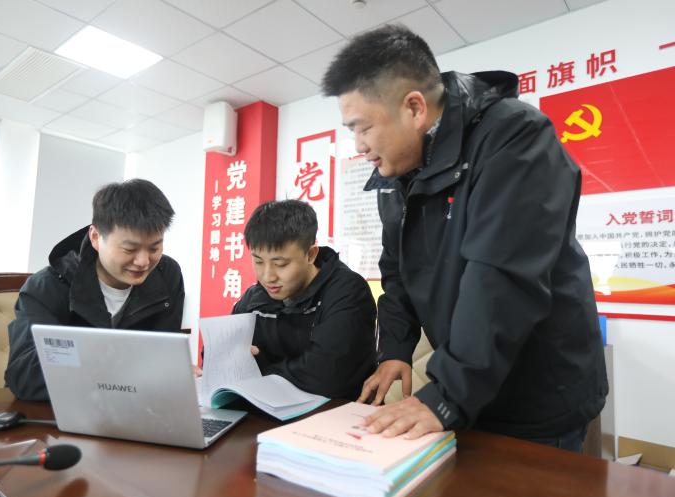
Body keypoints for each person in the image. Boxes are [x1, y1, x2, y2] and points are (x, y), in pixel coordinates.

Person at [321, 25, 608, 451]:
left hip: (538, 395)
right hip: (471, 389)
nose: (359, 146)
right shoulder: (398, 174)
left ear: (414, 108)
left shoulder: (515, 138)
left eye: (362, 128)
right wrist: (395, 349)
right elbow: (397, 272)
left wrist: (446, 396)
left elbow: (502, 279)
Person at [5, 179, 185, 401]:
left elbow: (164, 355)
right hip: (61, 411)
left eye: (154, 248)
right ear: (96, 237)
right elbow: (26, 375)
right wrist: (124, 366)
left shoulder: (166, 275)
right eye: (130, 249)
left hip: (137, 407)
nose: (143, 261)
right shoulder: (48, 287)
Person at [231, 199, 377, 399]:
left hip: (339, 412)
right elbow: (222, 358)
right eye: (258, 261)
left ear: (310, 254)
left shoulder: (348, 292)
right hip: (268, 409)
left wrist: (257, 368)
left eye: (280, 264)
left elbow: (325, 376)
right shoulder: (255, 297)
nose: (267, 276)